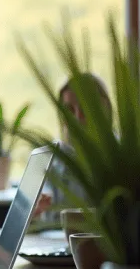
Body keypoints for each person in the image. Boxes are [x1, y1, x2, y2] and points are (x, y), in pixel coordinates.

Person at [34, 73, 113, 220]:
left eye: (85, 109)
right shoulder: (49, 157)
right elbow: (39, 213)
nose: (76, 118)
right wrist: (34, 212)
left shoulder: (124, 159)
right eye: (69, 110)